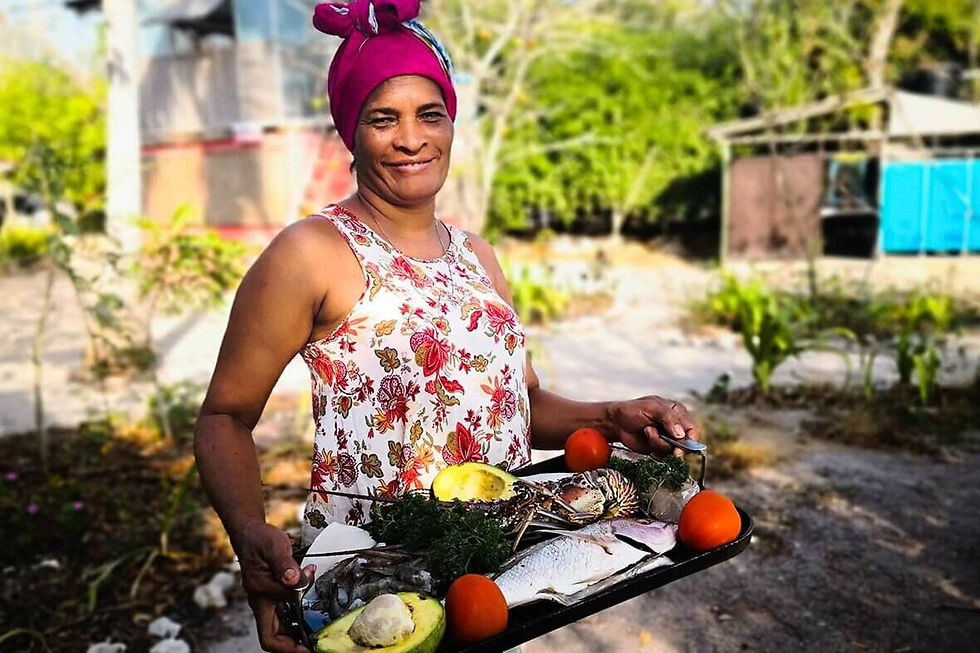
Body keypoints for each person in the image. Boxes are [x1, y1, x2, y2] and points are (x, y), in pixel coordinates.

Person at [193, 1, 701, 651]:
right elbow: (223, 418)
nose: (412, 138)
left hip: (496, 559)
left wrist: (613, 417)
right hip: (370, 578)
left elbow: (522, 402)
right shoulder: (311, 252)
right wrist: (246, 533)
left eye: (429, 114)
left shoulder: (475, 254)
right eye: (384, 118)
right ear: (351, 131)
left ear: (452, 123)